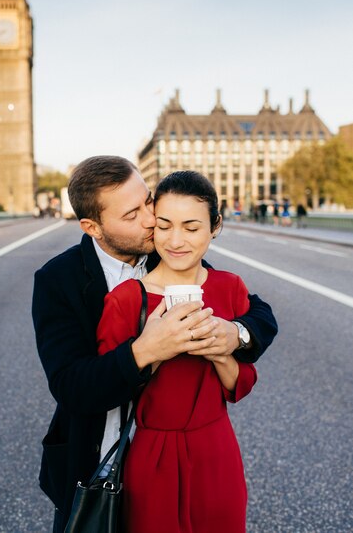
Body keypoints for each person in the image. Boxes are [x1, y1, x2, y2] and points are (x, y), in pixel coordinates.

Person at [32, 156, 278, 533]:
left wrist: (237, 333)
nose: (152, 221)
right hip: (99, 454)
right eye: (132, 215)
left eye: (147, 202)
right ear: (92, 227)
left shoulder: (163, 249)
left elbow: (253, 308)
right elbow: (71, 386)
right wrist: (148, 349)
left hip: (195, 450)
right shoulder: (57, 280)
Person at [96, 171, 259, 532]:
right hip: (151, 454)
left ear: (215, 226)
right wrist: (152, 349)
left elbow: (241, 386)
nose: (176, 241)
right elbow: (107, 388)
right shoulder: (126, 299)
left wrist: (220, 349)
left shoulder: (230, 287)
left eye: (191, 227)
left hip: (218, 452)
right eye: (165, 226)